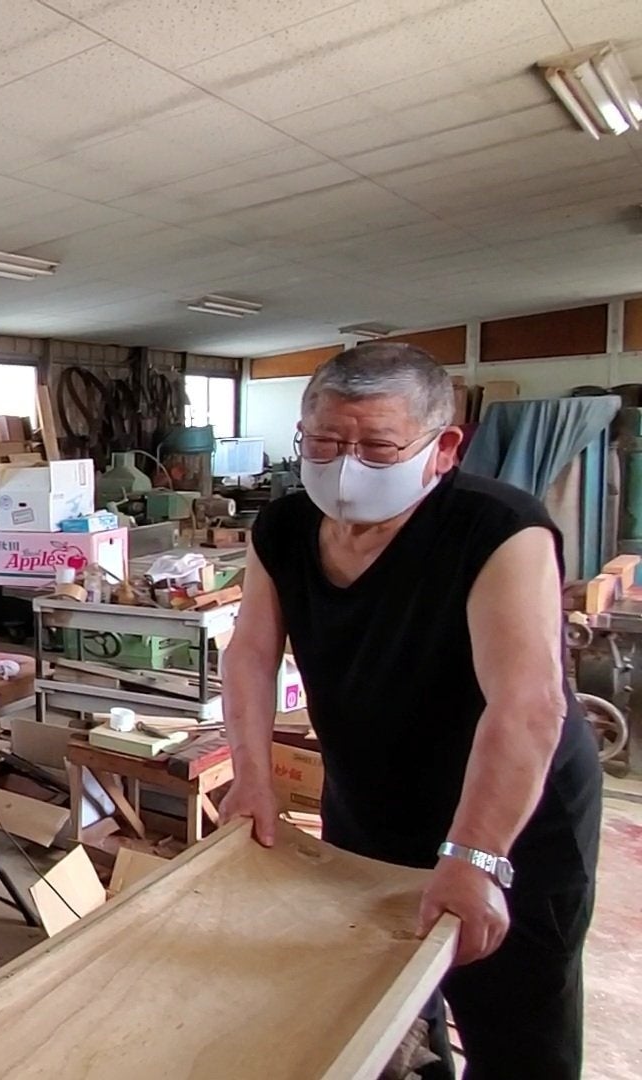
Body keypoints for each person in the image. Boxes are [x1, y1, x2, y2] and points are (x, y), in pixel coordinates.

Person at [219, 343, 601, 1080]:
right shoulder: (286, 528)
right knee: (380, 1009)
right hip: (372, 799)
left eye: (377, 447)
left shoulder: (499, 529)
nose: (347, 467)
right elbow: (250, 655)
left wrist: (475, 856)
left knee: (517, 1023)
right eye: (324, 443)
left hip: (513, 819)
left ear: (443, 448)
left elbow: (526, 706)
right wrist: (253, 778)